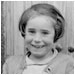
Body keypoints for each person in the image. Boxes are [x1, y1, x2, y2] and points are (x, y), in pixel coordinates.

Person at [2, 3, 74, 74]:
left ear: (55, 34)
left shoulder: (69, 65)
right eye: (32, 31)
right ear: (24, 32)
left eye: (45, 33)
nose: (37, 39)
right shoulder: (10, 64)